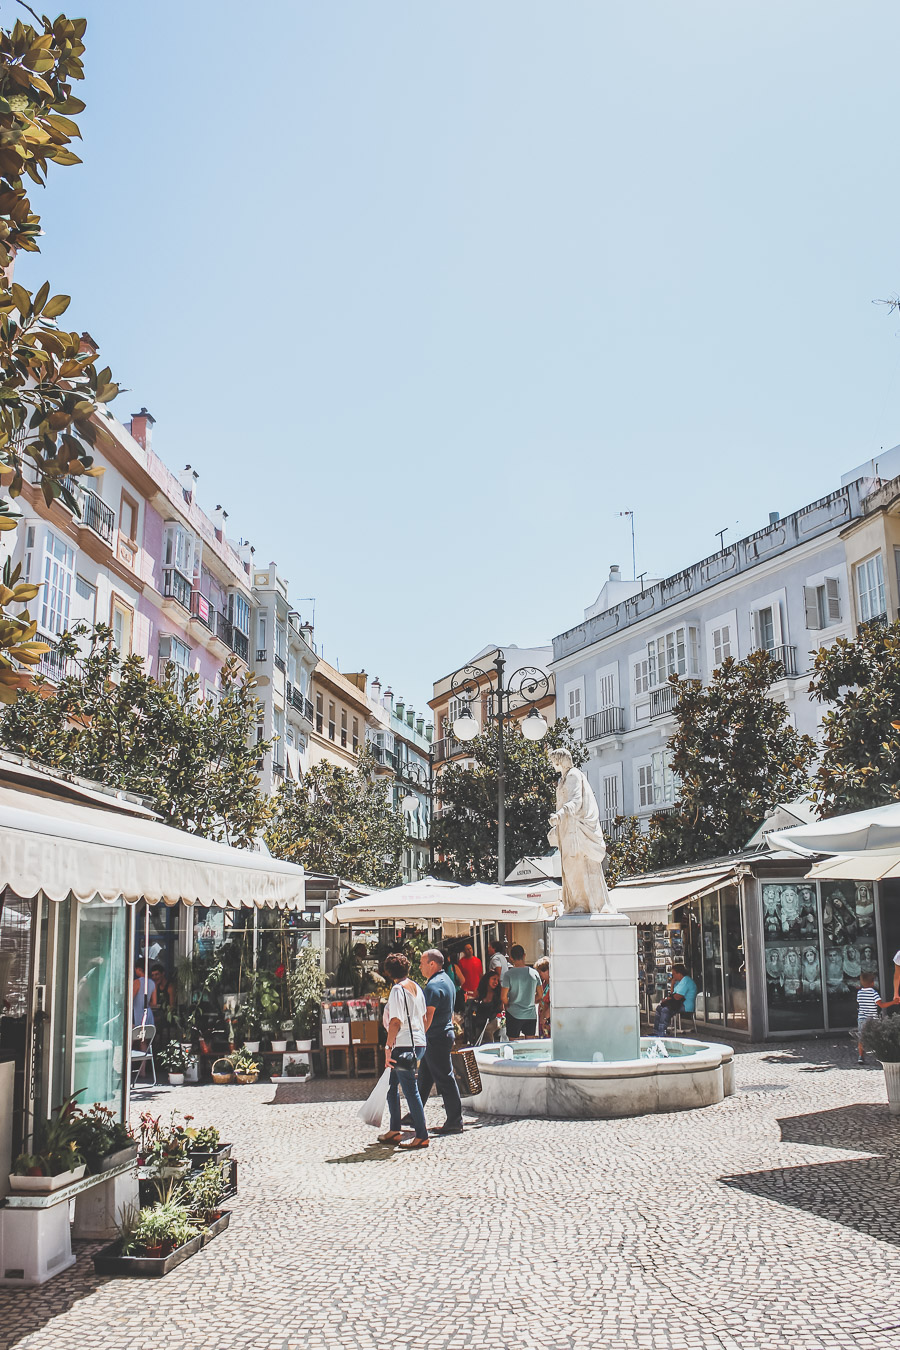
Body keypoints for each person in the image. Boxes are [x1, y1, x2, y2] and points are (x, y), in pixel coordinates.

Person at [378, 953, 429, 1150]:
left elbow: (395, 1022)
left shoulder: (397, 991)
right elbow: (424, 1019)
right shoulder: (417, 988)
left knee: (410, 1090)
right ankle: (394, 1129)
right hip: (418, 1042)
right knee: (391, 1086)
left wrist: (388, 1047)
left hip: (404, 1044)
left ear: (389, 973)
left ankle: (422, 1135)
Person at [415, 949, 464, 1135]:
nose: (420, 967)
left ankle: (454, 1120)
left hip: (436, 1037)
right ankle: (415, 1113)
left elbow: (428, 1015)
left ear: (432, 964)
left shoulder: (433, 986)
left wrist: (418, 1036)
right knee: (425, 1078)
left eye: (422, 963)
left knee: (445, 1078)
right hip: (441, 1035)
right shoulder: (447, 981)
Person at [501, 945, 542, 1040]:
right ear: (524, 955)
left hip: (513, 1013)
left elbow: (503, 997)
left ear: (511, 958)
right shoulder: (534, 973)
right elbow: (540, 995)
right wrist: (531, 1001)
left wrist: (508, 1004)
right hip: (530, 1014)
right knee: (529, 1044)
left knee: (513, 1044)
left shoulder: (508, 975)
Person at [653, 965, 697, 1036]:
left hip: (685, 1005)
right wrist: (672, 984)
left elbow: (678, 996)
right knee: (659, 1008)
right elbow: (672, 994)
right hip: (677, 1003)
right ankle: (656, 1031)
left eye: (674, 974)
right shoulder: (679, 982)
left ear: (679, 973)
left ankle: (661, 1032)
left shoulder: (686, 980)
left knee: (665, 1010)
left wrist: (667, 999)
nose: (673, 976)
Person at [467, 968, 503, 1044]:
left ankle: (490, 1047)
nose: (496, 982)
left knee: (487, 1030)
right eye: (494, 979)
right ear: (487, 980)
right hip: (480, 1019)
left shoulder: (498, 993)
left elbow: (500, 1009)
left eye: (497, 980)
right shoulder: (479, 991)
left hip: (493, 1019)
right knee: (477, 1030)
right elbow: (474, 1007)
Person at [132, 961, 156, 1031]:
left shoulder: (137, 982)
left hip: (138, 1013)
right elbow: (154, 1002)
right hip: (148, 1012)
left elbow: (131, 999)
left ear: (139, 969)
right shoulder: (152, 983)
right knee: (146, 1037)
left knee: (136, 1036)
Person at [535, 957, 551, 1037]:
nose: (540, 973)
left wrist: (544, 1018)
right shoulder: (544, 983)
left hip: (547, 1019)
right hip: (542, 1016)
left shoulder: (552, 985)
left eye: (542, 970)